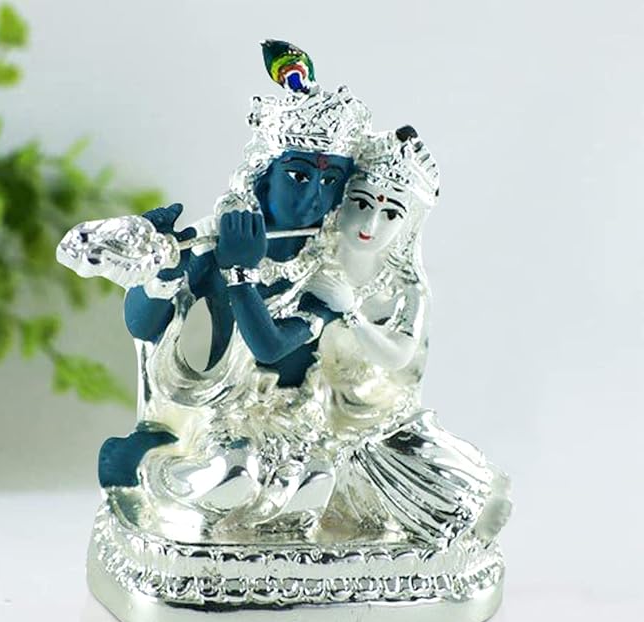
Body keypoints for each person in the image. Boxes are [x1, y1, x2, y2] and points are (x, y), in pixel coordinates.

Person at [97, 43, 373, 538]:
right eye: (298, 176)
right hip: (212, 414)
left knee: (318, 483)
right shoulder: (215, 241)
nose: (314, 197)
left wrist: (241, 276)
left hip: (288, 416)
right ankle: (144, 468)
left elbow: (271, 346)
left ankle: (261, 543)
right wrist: (160, 267)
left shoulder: (329, 275)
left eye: (330, 180)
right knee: (235, 476)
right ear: (262, 178)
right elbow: (142, 324)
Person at [305, 126, 511, 552]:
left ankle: (467, 500)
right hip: (314, 413)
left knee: (401, 464)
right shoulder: (313, 266)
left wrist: (351, 314)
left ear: (408, 223)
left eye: (390, 214)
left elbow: (399, 355)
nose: (370, 224)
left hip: (380, 415)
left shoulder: (405, 289)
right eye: (361, 204)